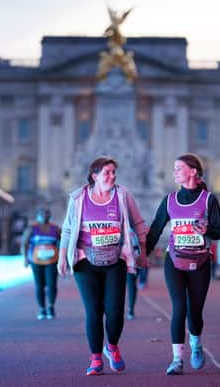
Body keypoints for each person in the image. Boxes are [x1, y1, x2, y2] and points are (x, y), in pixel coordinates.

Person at [58, 157, 148, 376]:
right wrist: (62, 257)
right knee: (94, 311)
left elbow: (139, 223)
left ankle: (112, 347)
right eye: (107, 172)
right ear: (94, 176)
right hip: (85, 262)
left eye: (114, 172)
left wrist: (143, 252)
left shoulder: (123, 195)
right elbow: (68, 230)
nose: (112, 176)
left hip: (115, 261)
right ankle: (96, 358)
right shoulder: (78, 198)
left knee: (115, 312)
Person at [146, 154, 220, 376]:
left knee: (195, 312)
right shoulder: (169, 200)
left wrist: (206, 230)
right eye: (174, 168)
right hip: (175, 261)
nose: (175, 172)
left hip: (200, 262)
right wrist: (143, 255)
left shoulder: (209, 200)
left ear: (193, 171)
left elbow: (219, 232)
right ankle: (177, 360)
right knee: (179, 308)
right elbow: (155, 230)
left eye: (179, 168)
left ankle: (196, 344)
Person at [21, 208, 61, 319]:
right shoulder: (31, 229)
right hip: (36, 261)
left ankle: (51, 306)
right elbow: (24, 243)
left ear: (50, 215)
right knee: (40, 285)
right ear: (37, 216)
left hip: (52, 261)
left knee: (52, 285)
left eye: (47, 214)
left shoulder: (56, 229)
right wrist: (25, 258)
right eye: (41, 214)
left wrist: (64, 258)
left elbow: (63, 242)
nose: (44, 216)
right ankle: (42, 309)